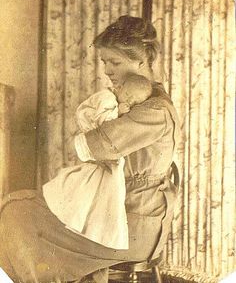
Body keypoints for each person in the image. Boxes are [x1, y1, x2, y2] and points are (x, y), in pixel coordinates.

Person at [0, 15, 180, 283]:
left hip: (133, 225)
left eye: (114, 62)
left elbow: (96, 145)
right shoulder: (137, 101)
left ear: (142, 61)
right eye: (104, 62)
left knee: (15, 217)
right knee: (17, 204)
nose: (107, 70)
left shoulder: (154, 111)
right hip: (117, 213)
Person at [42, 73, 152, 250]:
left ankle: (101, 228)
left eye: (134, 103)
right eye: (129, 98)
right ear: (119, 88)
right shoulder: (107, 99)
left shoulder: (117, 99)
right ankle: (86, 223)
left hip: (101, 140)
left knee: (108, 180)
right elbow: (104, 123)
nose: (129, 104)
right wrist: (120, 113)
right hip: (93, 133)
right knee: (99, 179)